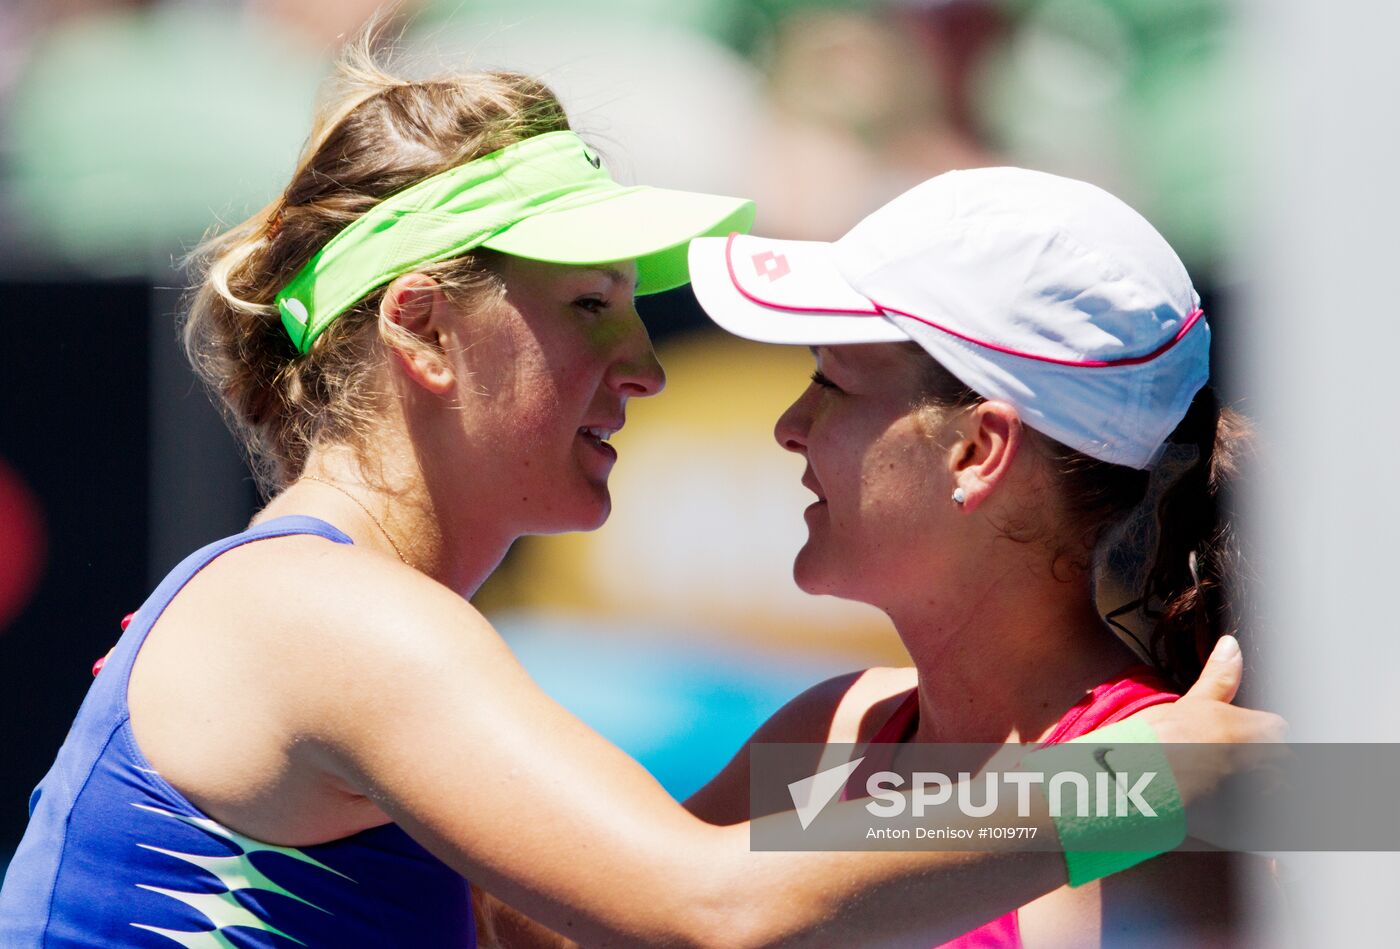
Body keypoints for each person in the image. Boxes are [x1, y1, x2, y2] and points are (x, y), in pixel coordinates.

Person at [0, 43, 1282, 949]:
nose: (646, 363)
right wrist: (1132, 790)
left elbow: (1342, 796)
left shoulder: (865, 737)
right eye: (589, 308)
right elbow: (702, 907)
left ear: (980, 451)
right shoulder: (328, 622)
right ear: (424, 328)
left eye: (834, 383)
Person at [680, 166, 1272, 945]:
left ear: (976, 449)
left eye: (831, 380)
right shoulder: (835, 729)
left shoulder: (1194, 805)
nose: (790, 424)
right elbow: (568, 920)